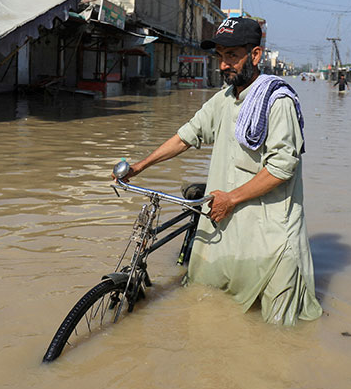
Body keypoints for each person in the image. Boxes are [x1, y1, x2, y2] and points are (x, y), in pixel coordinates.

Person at [120, 17, 322, 325]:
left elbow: (282, 169)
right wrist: (140, 166)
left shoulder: (277, 102)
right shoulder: (225, 99)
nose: (224, 65)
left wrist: (231, 199)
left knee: (281, 330)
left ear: (255, 56)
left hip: (271, 231)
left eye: (232, 56)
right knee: (206, 308)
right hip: (231, 221)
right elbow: (188, 135)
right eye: (219, 56)